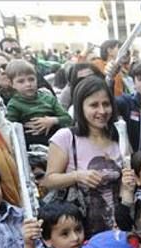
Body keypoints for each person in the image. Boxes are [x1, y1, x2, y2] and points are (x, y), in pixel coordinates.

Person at [43, 76, 124, 238]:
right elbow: (48, 181)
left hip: (118, 228)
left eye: (106, 104)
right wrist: (77, 176)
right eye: (94, 105)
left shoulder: (119, 135)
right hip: (80, 232)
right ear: (80, 107)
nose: (102, 111)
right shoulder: (66, 137)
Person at [5, 60, 72, 148]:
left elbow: (67, 119)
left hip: (55, 140)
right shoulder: (14, 105)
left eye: (31, 79)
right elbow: (10, 130)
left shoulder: (48, 98)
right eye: (21, 81)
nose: (28, 84)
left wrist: (51, 121)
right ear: (12, 84)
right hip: (30, 145)